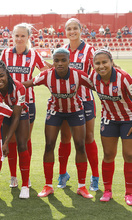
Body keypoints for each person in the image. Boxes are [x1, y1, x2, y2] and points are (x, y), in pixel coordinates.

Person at [26, 48, 94, 199]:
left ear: (69, 61)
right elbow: (28, 83)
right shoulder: (46, 75)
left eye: (63, 60)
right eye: (56, 60)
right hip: (54, 111)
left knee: (80, 145)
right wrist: (6, 86)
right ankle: (48, 185)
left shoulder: (78, 75)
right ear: (53, 62)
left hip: (75, 111)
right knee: (49, 145)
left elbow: (98, 87)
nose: (60, 63)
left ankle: (82, 186)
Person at [1, 23, 49, 189]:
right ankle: (13, 176)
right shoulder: (5, 53)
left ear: (28, 37)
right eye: (17, 35)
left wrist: (32, 82)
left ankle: (25, 176)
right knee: (12, 140)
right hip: (8, 104)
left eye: (23, 36)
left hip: (27, 104)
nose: (19, 38)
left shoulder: (34, 54)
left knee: (25, 140)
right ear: (12, 37)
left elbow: (45, 72)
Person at [57, 18, 99, 191]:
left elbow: (98, 72)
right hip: (66, 101)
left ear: (81, 30)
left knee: (88, 138)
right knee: (65, 137)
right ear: (65, 31)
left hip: (86, 100)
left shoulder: (89, 50)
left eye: (75, 28)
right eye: (69, 29)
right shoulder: (62, 50)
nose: (72, 31)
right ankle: (62, 173)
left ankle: (95, 176)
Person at [89, 49, 132, 206]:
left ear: (111, 62)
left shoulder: (124, 78)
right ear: (93, 65)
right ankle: (107, 190)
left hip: (129, 120)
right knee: (108, 154)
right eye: (98, 63)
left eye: (104, 62)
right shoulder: (93, 77)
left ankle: (129, 193)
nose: (101, 66)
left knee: (129, 155)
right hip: (109, 119)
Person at [0, 59, 31, 199]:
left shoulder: (19, 88)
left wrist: (6, 141)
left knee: (22, 145)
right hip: (3, 115)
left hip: (20, 114)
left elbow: (16, 117)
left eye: (1, 75)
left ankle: (24, 186)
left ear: (7, 74)